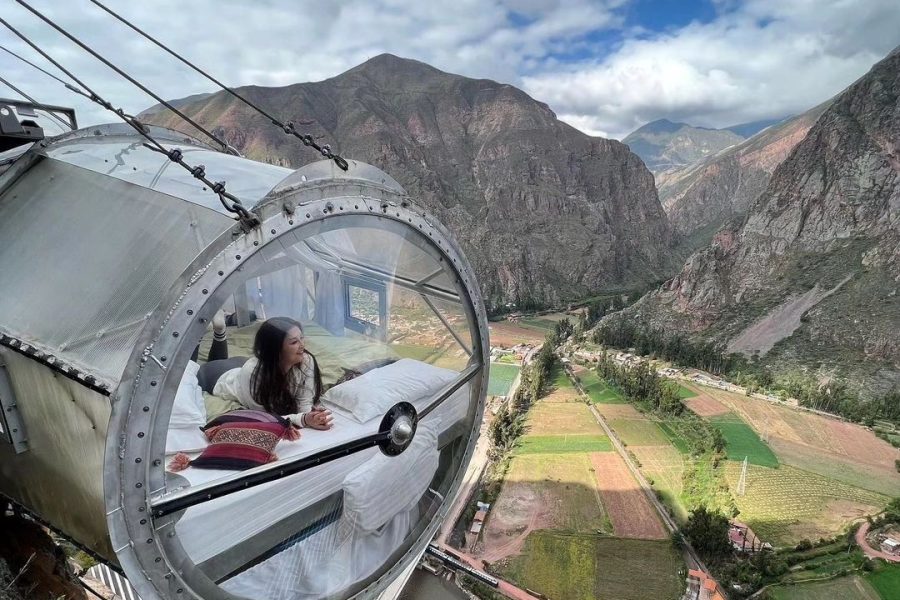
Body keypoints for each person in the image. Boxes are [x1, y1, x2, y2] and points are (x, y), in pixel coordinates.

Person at [230, 317, 333, 430]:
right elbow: (266, 419)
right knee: (214, 364)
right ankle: (219, 333)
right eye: (294, 342)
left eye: (301, 338)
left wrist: (313, 417)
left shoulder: (306, 360)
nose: (302, 345)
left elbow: (304, 403)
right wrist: (303, 419)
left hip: (250, 366)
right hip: (224, 378)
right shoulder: (251, 373)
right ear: (275, 348)